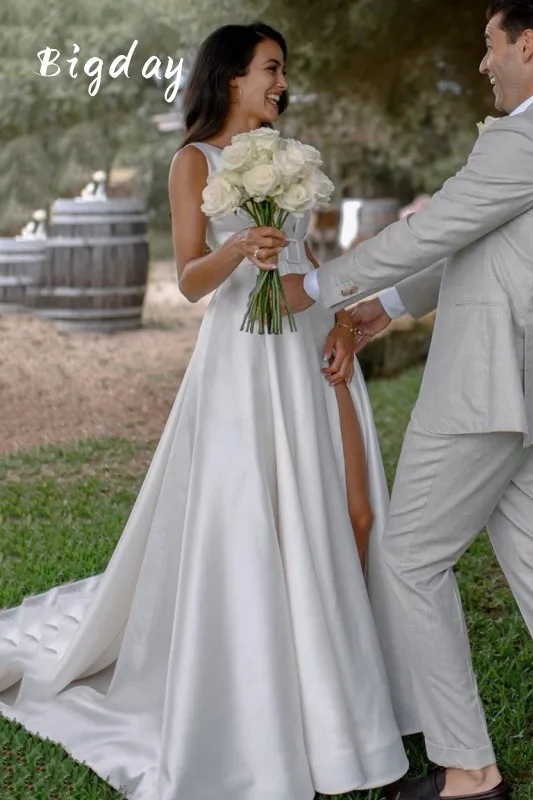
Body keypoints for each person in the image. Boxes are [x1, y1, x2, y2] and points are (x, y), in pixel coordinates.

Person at [0, 22, 419, 800]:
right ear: (230, 77)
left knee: (355, 511)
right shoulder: (192, 160)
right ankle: (296, 712)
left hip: (308, 342)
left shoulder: (291, 157)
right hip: (244, 358)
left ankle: (352, 690)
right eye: (271, 68)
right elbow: (192, 280)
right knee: (271, 525)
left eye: (284, 69)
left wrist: (340, 316)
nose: (281, 82)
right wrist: (241, 249)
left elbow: (309, 261)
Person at [280, 1, 533, 798]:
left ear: (526, 44)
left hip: (483, 389)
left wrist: (316, 286)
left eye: (490, 47)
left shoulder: (525, 136)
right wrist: (383, 308)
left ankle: (469, 773)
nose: (484, 63)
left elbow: (434, 228)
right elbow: (481, 242)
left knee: (413, 557)